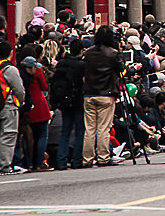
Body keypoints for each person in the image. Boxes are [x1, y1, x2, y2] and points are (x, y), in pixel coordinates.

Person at [82, 25, 124, 167]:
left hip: (89, 93)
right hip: (106, 93)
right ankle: (103, 156)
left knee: (89, 128)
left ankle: (87, 158)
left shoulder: (88, 53)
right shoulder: (112, 53)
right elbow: (121, 69)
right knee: (103, 128)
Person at [0, 41, 25, 175]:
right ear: (11, 52)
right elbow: (19, 89)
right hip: (8, 104)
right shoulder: (9, 69)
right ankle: (4, 166)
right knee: (8, 135)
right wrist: (21, 102)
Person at [51, 40, 86, 170]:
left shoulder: (61, 64)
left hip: (64, 101)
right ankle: (77, 159)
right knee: (79, 130)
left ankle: (61, 160)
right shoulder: (81, 65)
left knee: (65, 131)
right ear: (81, 51)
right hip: (77, 100)